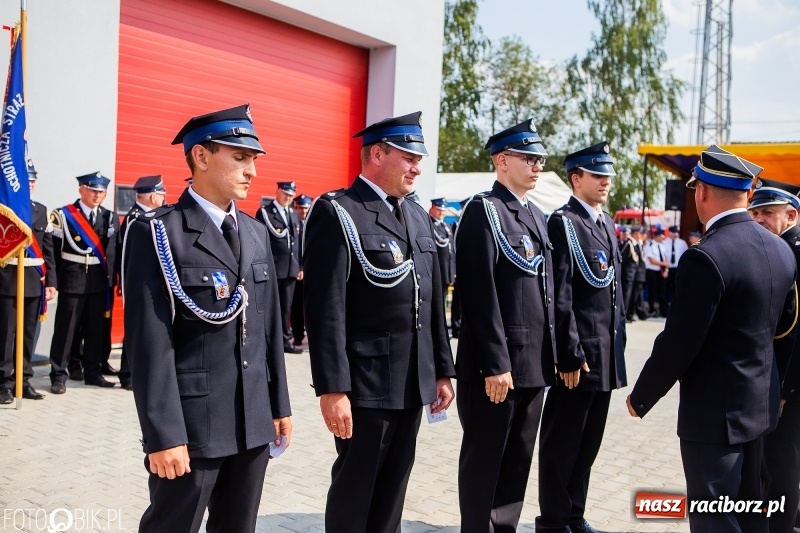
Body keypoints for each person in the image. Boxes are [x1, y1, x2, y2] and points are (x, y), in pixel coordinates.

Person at [123, 104, 292, 533]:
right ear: (200, 156)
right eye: (239, 157)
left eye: (253, 159)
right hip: (192, 427)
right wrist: (163, 435)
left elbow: (269, 329)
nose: (251, 170)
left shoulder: (255, 232)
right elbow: (149, 345)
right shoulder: (159, 232)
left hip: (252, 421)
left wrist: (278, 405)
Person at [627, 145, 797, 533]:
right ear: (747, 194)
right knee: (753, 514)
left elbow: (680, 342)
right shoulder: (781, 250)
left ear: (701, 192)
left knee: (715, 519)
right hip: (761, 407)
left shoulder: (707, 256)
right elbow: (785, 330)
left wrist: (642, 396)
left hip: (715, 417)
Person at [303, 111, 455, 533]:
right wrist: (333, 389)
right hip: (366, 384)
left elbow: (431, 300)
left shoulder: (417, 214)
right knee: (357, 490)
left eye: (418, 158)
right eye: (408, 156)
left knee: (393, 491)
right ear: (376, 154)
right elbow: (325, 309)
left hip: (412, 380)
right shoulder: (339, 212)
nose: (417, 167)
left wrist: (442, 370)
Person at [455, 120, 556, 531]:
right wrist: (496, 363)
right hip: (498, 368)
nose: (536, 166)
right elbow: (479, 295)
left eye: (540, 159)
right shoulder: (485, 210)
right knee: (487, 460)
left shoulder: (535, 214)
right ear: (502, 161)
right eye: (528, 158)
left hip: (532, 364)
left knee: (517, 460)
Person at [537, 141, 627, 533]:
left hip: (605, 356)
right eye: (597, 174)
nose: (606, 181)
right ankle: (555, 520)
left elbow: (612, 293)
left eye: (608, 174)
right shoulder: (564, 222)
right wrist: (569, 353)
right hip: (580, 356)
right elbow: (560, 295)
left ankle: (575, 513)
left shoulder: (604, 223)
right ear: (576, 178)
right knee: (563, 444)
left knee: (588, 444)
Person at [748, 179, 800, 533]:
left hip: (790, 382)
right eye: (755, 212)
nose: (760, 219)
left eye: (768, 212)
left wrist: (783, 388)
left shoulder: (792, 254)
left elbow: (795, 332)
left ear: (791, 214)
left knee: (781, 465)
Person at [48, 171, 118, 393]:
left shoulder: (109, 216)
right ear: (81, 190)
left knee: (96, 330)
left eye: (102, 191)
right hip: (72, 277)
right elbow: (53, 251)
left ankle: (93, 372)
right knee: (65, 330)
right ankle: (58, 374)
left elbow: (112, 250)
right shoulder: (63, 215)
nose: (98, 195)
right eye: (93, 190)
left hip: (98, 280)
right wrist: (54, 280)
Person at [0, 161, 57, 403]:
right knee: (5, 335)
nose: (30, 185)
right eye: (26, 180)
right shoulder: (4, 209)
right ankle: (3, 383)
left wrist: (52, 281)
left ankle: (24, 380)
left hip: (34, 281)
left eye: (33, 181)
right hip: (6, 280)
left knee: (27, 335)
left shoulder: (41, 210)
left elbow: (48, 250)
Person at [115, 175, 167, 391]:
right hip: (138, 283)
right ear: (154, 196)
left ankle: (134, 373)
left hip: (145, 281)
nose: (164, 199)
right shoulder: (137, 217)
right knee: (135, 328)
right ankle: (127, 375)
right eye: (162, 194)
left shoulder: (144, 215)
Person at [256, 181, 303, 354]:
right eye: (285, 194)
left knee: (286, 308)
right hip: (274, 268)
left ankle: (284, 340)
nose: (288, 198)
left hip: (291, 268)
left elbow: (297, 241)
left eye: (291, 196)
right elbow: (262, 242)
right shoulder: (266, 212)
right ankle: (267, 341)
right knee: (270, 306)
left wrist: (300, 265)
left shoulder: (293, 213)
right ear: (277, 191)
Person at [290, 193, 312, 347]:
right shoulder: (292, 223)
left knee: (312, 306)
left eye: (306, 208)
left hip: (313, 272)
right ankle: (298, 336)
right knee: (297, 305)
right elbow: (294, 249)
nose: (303, 211)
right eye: (300, 208)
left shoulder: (314, 222)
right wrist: (301, 267)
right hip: (299, 272)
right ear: (295, 207)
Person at [429, 197, 455, 318]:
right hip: (437, 269)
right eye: (439, 209)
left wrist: (453, 270)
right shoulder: (430, 225)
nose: (441, 212)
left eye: (443, 210)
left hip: (447, 271)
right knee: (436, 300)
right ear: (432, 208)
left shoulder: (446, 226)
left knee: (443, 298)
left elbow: (451, 250)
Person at [643, 228, 669, 317]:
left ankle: (664, 311)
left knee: (662, 292)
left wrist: (666, 269)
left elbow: (666, 258)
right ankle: (652, 310)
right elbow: (652, 260)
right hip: (652, 271)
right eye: (661, 236)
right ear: (657, 236)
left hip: (661, 271)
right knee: (652, 291)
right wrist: (664, 264)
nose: (663, 238)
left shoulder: (663, 246)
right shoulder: (650, 245)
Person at [618, 225, 638, 323]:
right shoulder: (622, 243)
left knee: (626, 295)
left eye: (627, 234)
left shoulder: (629, 244)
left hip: (627, 274)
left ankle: (625, 315)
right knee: (624, 295)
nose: (625, 235)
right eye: (624, 233)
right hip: (623, 274)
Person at [665, 225, 688, 302]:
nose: (675, 234)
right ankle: (666, 305)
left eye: (676, 233)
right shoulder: (664, 242)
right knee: (666, 288)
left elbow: (686, 255)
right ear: (669, 233)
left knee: (677, 287)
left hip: (678, 268)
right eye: (673, 232)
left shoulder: (682, 243)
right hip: (667, 269)